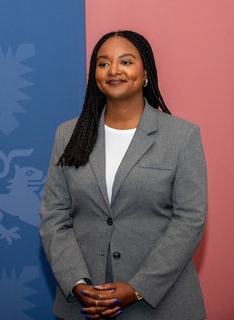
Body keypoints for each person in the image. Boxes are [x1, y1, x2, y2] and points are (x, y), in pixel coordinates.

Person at [39, 30, 207, 319]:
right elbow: (54, 216)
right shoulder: (68, 134)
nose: (113, 70)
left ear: (145, 74)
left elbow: (190, 219)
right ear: (95, 77)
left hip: (163, 303)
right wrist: (77, 283)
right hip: (85, 304)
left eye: (125, 61)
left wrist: (138, 287)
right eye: (103, 64)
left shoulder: (181, 135)